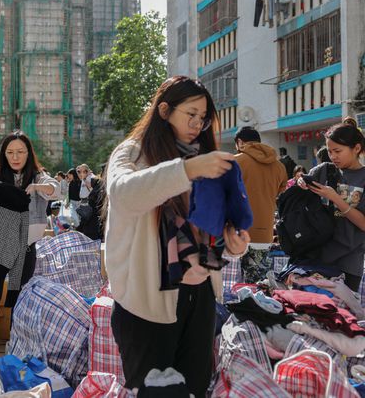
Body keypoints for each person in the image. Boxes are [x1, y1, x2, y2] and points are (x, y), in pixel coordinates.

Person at [105, 76, 249, 394]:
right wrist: (188, 170)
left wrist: (233, 245)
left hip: (200, 299)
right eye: (191, 114)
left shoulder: (204, 159)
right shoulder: (132, 153)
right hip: (147, 304)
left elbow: (212, 232)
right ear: (165, 110)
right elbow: (123, 193)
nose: (198, 123)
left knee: (195, 387)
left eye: (204, 117)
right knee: (154, 391)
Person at [0, 131, 61, 348]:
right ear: (3, 154)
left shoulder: (38, 176)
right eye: (10, 152)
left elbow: (55, 189)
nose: (15, 157)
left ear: (28, 153)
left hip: (26, 248)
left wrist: (37, 187)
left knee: (20, 298)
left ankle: (17, 345)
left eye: (20, 152)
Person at [297, 118, 365, 291]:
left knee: (344, 316)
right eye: (329, 151)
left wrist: (335, 198)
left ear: (356, 148)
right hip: (317, 255)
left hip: (349, 261)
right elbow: (298, 185)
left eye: (337, 151)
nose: (333, 156)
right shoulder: (324, 170)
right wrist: (301, 184)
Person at [234, 126, 287, 283]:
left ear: (240, 142)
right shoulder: (279, 166)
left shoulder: (235, 162)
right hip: (264, 233)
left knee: (231, 289)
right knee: (260, 288)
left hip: (236, 233)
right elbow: (279, 193)